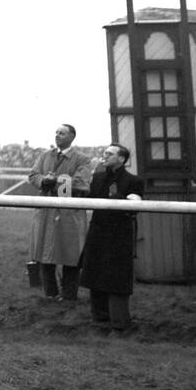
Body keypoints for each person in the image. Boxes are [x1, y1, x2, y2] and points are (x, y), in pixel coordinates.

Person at [79, 144, 144, 333]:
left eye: (109, 154)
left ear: (122, 159)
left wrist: (120, 198)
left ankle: (120, 323)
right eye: (104, 153)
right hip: (98, 233)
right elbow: (90, 198)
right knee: (95, 274)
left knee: (117, 278)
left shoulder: (134, 181)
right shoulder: (98, 178)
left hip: (119, 235)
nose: (104, 156)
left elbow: (135, 206)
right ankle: (99, 320)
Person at [26, 124, 92, 300]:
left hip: (70, 213)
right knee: (45, 253)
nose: (57, 135)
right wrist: (43, 181)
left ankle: (69, 295)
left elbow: (82, 183)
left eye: (62, 133)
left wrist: (54, 180)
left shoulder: (82, 159)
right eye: (56, 133)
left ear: (72, 137)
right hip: (46, 212)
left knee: (71, 255)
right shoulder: (45, 155)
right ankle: (51, 294)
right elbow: (33, 176)